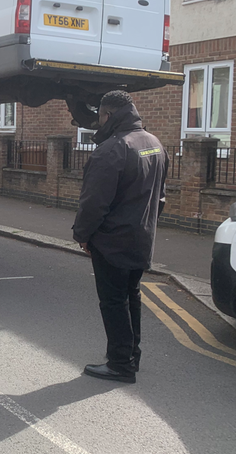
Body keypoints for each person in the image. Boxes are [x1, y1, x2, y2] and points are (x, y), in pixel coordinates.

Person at [73, 91, 168, 384]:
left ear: (108, 115)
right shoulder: (154, 144)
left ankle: (119, 364)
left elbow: (93, 203)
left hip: (112, 241)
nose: (98, 121)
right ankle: (131, 356)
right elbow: (160, 198)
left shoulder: (112, 149)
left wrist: (83, 235)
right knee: (131, 296)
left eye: (100, 116)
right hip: (142, 236)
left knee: (114, 302)